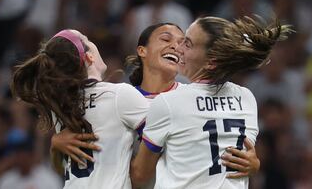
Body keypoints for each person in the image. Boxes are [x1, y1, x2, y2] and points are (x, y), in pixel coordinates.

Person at [51, 23, 260, 186]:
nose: (176, 46)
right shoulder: (116, 100)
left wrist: (253, 164)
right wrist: (56, 146)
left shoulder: (189, 100)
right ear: (142, 50)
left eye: (184, 43)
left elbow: (222, 150)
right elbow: (79, 166)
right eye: (166, 38)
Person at [130, 16, 292, 189]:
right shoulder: (247, 98)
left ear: (211, 63)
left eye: (188, 44)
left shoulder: (170, 102)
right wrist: (255, 165)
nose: (179, 48)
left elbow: (139, 175)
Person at [10, 29, 150, 189]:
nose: (93, 43)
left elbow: (60, 168)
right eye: (88, 39)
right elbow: (160, 135)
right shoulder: (119, 95)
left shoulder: (62, 105)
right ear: (89, 57)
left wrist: (54, 144)